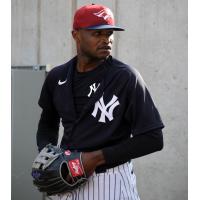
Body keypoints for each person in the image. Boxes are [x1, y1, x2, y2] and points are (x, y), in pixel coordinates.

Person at [36, 4, 164, 200]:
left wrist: (95, 158)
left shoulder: (126, 78)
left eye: (109, 33)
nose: (106, 40)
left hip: (110, 180)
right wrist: (48, 154)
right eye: (97, 34)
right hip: (67, 176)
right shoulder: (57, 76)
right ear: (76, 35)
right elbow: (48, 122)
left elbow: (153, 138)